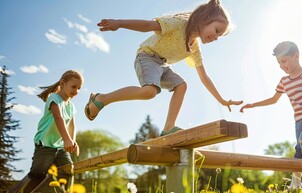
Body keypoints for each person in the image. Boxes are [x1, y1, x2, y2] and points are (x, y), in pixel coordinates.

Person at [85, 0, 242, 136]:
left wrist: (222, 100)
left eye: (219, 36)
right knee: (149, 92)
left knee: (181, 85)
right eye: (216, 31)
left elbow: (204, 77)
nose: (215, 38)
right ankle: (102, 98)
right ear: (205, 19)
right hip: (147, 56)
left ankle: (168, 127)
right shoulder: (179, 24)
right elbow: (147, 25)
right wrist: (119, 23)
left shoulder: (193, 47)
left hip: (162, 64)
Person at [240, 41, 302, 189]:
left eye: (284, 61)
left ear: (296, 56)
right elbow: (273, 100)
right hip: (298, 119)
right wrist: (253, 104)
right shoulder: (284, 81)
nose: (282, 66)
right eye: (279, 63)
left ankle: (295, 182)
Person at [5, 70, 83, 193]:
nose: (76, 91)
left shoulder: (71, 106)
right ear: (63, 84)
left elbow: (72, 126)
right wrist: (66, 139)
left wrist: (72, 141)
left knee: (69, 171)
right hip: (45, 145)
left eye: (79, 88)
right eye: (73, 87)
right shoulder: (54, 98)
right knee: (37, 176)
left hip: (60, 147)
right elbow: (58, 118)